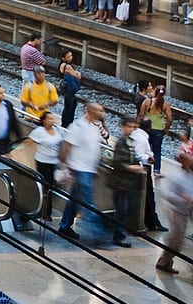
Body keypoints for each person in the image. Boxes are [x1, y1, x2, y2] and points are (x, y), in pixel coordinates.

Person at [58, 103, 108, 242]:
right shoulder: (77, 126)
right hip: (79, 169)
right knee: (88, 203)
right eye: (99, 110)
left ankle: (64, 226)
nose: (101, 113)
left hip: (88, 169)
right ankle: (99, 235)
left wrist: (95, 168)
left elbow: (94, 148)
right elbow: (66, 147)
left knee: (74, 200)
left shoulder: (94, 127)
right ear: (90, 111)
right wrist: (65, 167)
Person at [106, 115, 148, 246]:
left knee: (124, 209)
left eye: (133, 127)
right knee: (121, 210)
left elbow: (132, 158)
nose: (132, 129)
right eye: (129, 127)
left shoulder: (130, 141)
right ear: (123, 127)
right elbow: (118, 163)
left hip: (128, 183)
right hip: (120, 183)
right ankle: (118, 236)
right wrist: (132, 168)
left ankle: (120, 233)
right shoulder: (121, 142)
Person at [157, 148, 193, 275]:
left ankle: (164, 261)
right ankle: (164, 261)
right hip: (177, 211)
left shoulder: (190, 173)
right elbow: (166, 193)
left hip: (187, 209)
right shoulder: (174, 174)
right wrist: (183, 199)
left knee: (177, 239)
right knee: (177, 239)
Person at [27, 110, 65, 226]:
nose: (52, 121)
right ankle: (46, 212)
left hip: (55, 162)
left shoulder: (58, 131)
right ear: (43, 120)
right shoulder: (39, 132)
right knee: (47, 186)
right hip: (43, 162)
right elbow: (27, 143)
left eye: (53, 119)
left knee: (51, 187)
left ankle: (46, 210)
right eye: (49, 119)